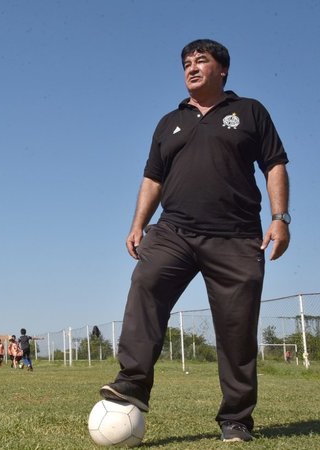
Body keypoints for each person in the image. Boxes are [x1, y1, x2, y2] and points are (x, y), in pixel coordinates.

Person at [99, 39, 290, 443]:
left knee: (237, 329)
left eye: (201, 61)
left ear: (223, 70)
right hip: (174, 231)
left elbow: (274, 164)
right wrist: (138, 224)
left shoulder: (249, 111)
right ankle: (133, 381)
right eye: (186, 62)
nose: (191, 67)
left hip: (237, 237)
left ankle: (236, 419)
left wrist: (280, 218)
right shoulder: (169, 121)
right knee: (146, 283)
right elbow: (152, 178)